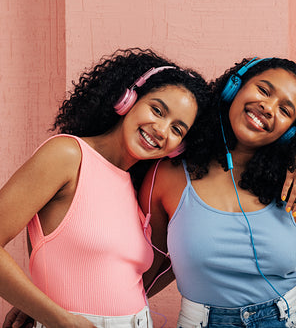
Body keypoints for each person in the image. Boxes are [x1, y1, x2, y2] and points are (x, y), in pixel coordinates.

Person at [0, 48, 211, 328]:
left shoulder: (136, 189)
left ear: (179, 147)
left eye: (177, 129)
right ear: (128, 100)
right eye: (157, 110)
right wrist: (54, 315)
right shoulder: (67, 155)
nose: (162, 130)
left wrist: (36, 302)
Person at [139, 57, 296, 327]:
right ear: (234, 87)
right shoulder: (168, 175)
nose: (268, 107)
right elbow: (147, 273)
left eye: (285, 110)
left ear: (291, 130)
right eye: (263, 90)